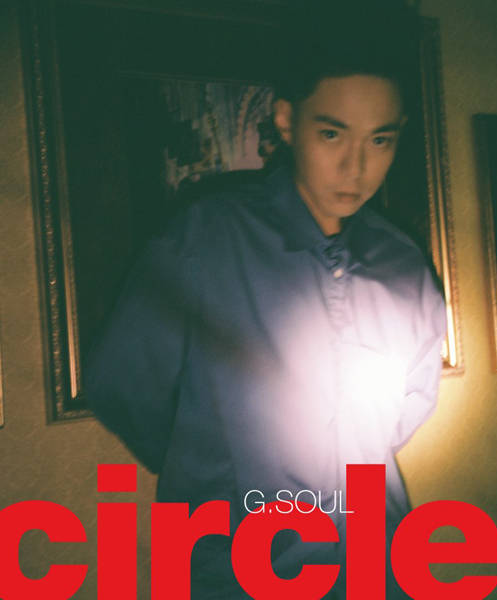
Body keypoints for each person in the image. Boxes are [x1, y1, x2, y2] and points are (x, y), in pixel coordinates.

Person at [84, 5, 446, 598]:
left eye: (380, 139)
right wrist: (217, 470)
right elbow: (122, 386)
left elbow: (408, 409)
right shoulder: (205, 240)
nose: (356, 167)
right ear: (286, 119)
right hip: (237, 573)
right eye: (332, 134)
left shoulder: (405, 267)